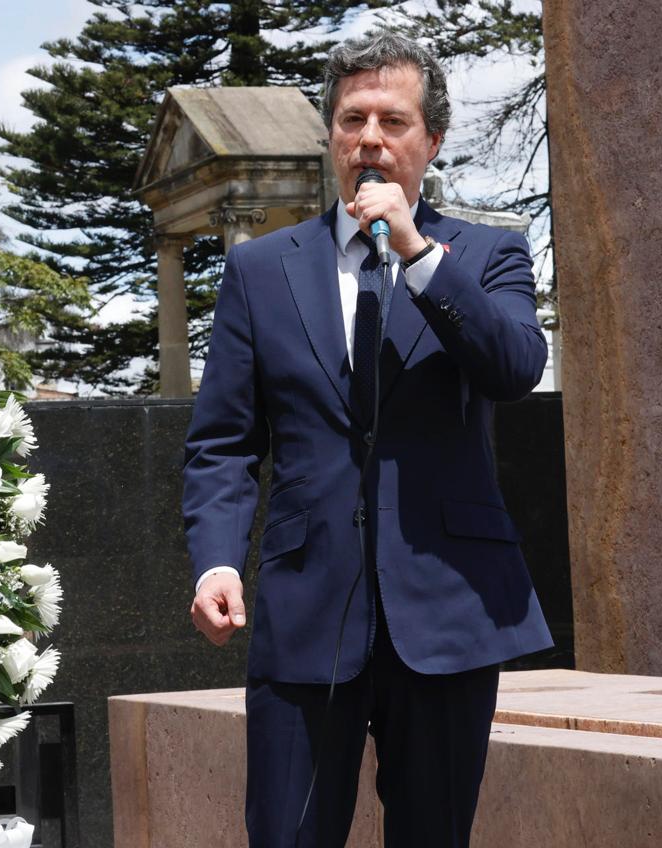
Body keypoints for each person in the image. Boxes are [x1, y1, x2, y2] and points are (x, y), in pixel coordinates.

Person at [181, 31, 553, 848]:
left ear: (433, 139)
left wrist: (418, 255)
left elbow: (514, 365)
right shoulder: (261, 271)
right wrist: (216, 561)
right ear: (331, 136)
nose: (371, 140)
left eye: (393, 120)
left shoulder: (489, 253)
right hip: (306, 612)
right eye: (353, 120)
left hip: (448, 612)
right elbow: (223, 442)